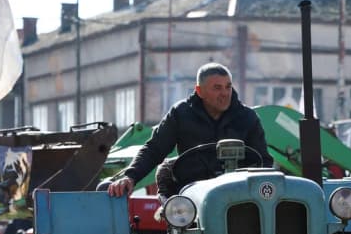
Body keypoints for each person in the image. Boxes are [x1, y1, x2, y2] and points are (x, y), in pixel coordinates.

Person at [108, 62, 273, 197]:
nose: (225, 93)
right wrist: (130, 177)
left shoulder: (247, 118)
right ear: (199, 91)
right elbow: (154, 149)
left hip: (237, 194)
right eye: (217, 88)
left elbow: (263, 161)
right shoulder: (180, 114)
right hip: (191, 193)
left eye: (228, 87)